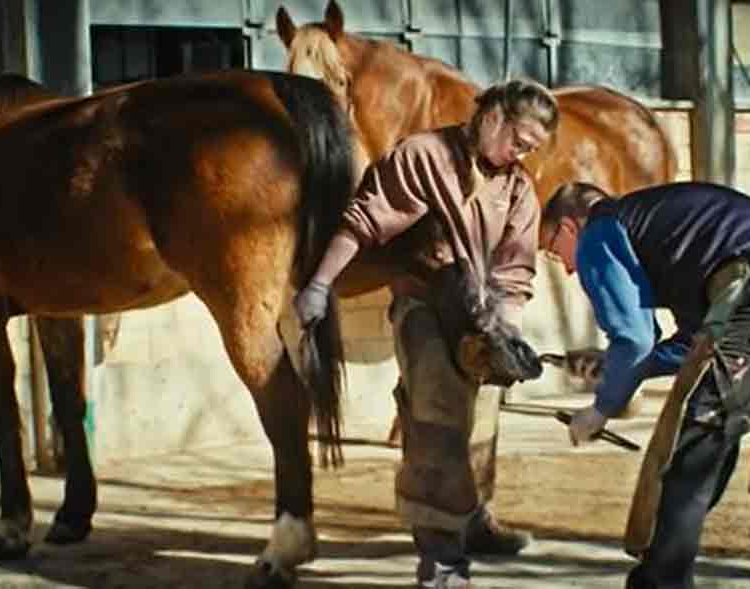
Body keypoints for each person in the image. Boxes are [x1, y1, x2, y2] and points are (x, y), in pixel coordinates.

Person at [295, 78, 559, 588]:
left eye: (532, 148)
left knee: (481, 421)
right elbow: (362, 222)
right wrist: (319, 285)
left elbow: (515, 270)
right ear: (491, 116)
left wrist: (508, 330)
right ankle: (440, 558)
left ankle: (475, 522)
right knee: (437, 418)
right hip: (423, 305)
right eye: (519, 139)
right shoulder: (425, 156)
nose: (522, 153)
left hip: (482, 320)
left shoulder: (519, 188)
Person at [540, 181, 750, 589]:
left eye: (554, 251)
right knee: (708, 439)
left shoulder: (599, 231)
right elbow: (692, 345)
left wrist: (600, 409)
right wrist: (619, 368)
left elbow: (634, 338)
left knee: (693, 449)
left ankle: (660, 580)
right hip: (737, 294)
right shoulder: (678, 243)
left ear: (568, 227)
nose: (567, 267)